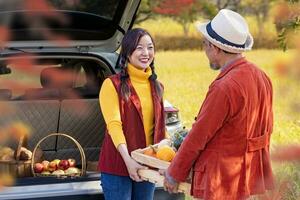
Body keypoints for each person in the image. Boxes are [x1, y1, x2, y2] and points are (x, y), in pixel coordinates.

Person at [163, 9, 274, 200]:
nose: (205, 51)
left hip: (221, 180)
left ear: (215, 47)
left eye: (204, 45)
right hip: (244, 175)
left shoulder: (224, 87)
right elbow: (266, 128)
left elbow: (199, 135)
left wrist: (174, 173)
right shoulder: (262, 76)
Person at [97, 28, 165, 200]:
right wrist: (128, 160)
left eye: (150, 47)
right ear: (127, 52)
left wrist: (165, 161)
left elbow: (159, 129)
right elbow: (114, 125)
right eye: (139, 48)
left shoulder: (157, 86)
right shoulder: (111, 85)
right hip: (118, 166)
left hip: (147, 165)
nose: (146, 53)